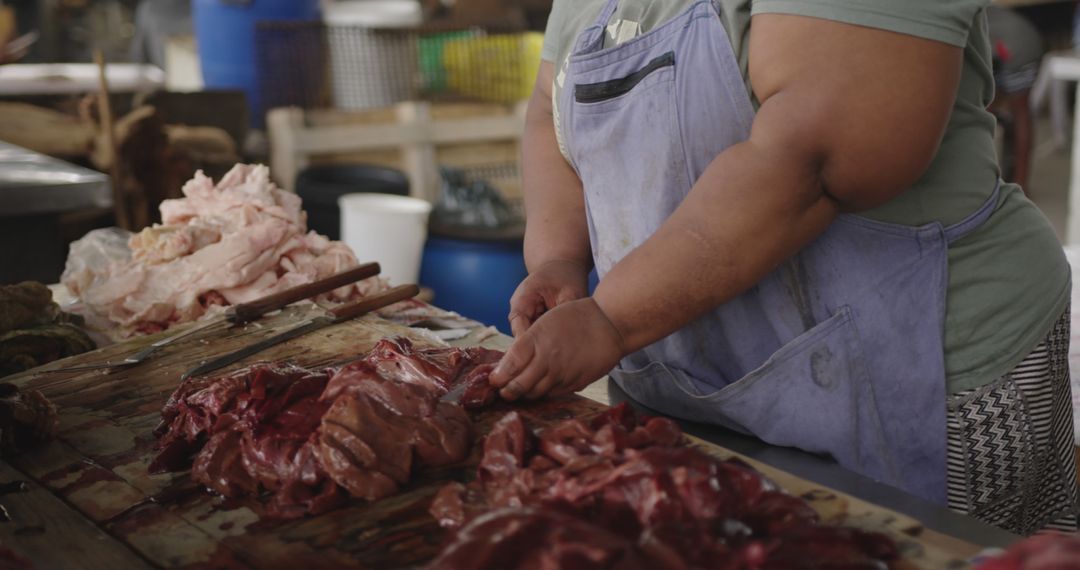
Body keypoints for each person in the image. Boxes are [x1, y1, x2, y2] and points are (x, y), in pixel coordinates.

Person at [488, 0, 1079, 536]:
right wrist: (559, 256)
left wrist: (613, 320)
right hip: (693, 388)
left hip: (913, 377)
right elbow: (550, 109)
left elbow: (820, 155)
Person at [987, 5, 1044, 190]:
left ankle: (1021, 185)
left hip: (1017, 48)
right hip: (1009, 45)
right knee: (988, 108)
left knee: (1020, 113)